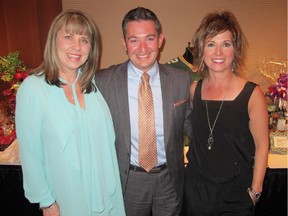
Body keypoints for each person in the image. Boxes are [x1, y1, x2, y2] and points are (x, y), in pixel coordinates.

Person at [15, 9, 125, 216]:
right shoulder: (33, 88)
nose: (77, 46)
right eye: (68, 37)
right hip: (66, 197)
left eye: (84, 40)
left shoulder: (93, 84)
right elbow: (30, 155)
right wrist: (46, 202)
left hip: (107, 194)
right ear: (53, 41)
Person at [95, 7, 191, 216]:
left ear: (160, 40)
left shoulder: (180, 80)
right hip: (128, 181)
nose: (142, 48)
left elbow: (192, 126)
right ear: (124, 44)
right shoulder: (103, 81)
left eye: (149, 38)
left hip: (169, 180)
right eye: (133, 40)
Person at [182, 11, 269, 216]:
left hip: (236, 194)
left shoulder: (252, 94)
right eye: (211, 44)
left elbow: (262, 145)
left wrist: (255, 191)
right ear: (201, 49)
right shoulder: (195, 90)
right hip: (197, 191)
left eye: (226, 44)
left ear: (235, 49)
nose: (218, 52)